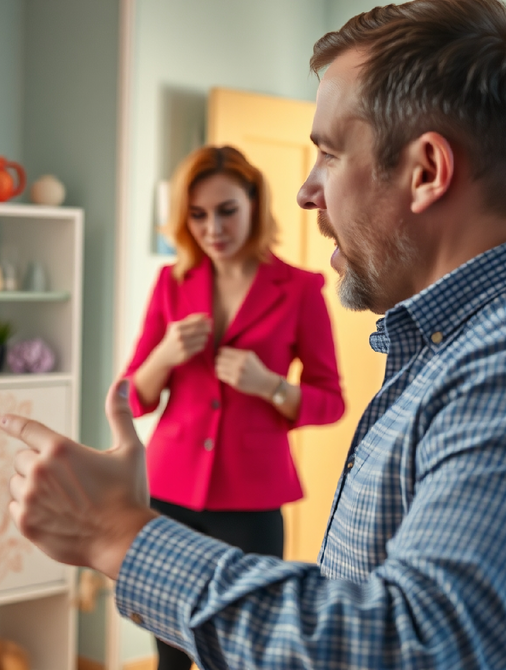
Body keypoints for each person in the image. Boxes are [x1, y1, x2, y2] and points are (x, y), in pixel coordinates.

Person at [0, 0, 506, 667]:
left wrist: (118, 535)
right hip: (174, 485)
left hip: (248, 500)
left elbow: (407, 649)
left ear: (426, 171)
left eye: (331, 154)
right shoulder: (461, 347)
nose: (307, 192)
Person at [124, 145, 344, 670]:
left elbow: (330, 400)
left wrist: (270, 386)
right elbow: (132, 396)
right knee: (170, 651)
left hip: (252, 499)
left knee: (244, 650)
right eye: (198, 215)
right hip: (167, 492)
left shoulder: (300, 289)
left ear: (254, 204)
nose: (212, 229)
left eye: (226, 211)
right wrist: (164, 355)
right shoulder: (171, 283)